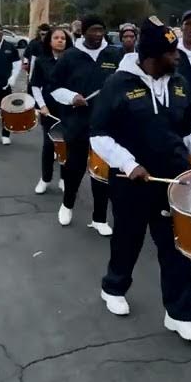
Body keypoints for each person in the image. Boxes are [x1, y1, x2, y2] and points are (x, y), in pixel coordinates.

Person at [89, 17, 191, 340]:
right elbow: (98, 135)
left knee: (175, 245)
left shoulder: (179, 83)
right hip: (132, 182)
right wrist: (128, 164)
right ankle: (113, 287)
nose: (177, 57)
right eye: (171, 53)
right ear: (151, 56)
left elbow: (190, 130)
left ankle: (180, 314)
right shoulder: (117, 85)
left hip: (173, 181)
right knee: (128, 239)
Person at [47, 14, 122, 234]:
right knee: (75, 167)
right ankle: (67, 204)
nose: (98, 34)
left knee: (102, 171)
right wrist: (71, 97)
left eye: (101, 30)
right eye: (93, 30)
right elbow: (53, 87)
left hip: (106, 124)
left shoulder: (114, 54)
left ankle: (99, 218)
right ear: (84, 32)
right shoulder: (70, 56)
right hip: (77, 121)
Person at [30, 26, 70, 194]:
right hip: (49, 110)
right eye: (56, 38)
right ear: (50, 41)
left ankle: (64, 179)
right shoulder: (41, 61)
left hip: (68, 110)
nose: (60, 40)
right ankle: (45, 179)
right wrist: (42, 106)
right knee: (48, 145)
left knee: (66, 145)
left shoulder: (72, 60)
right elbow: (35, 86)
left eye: (63, 38)